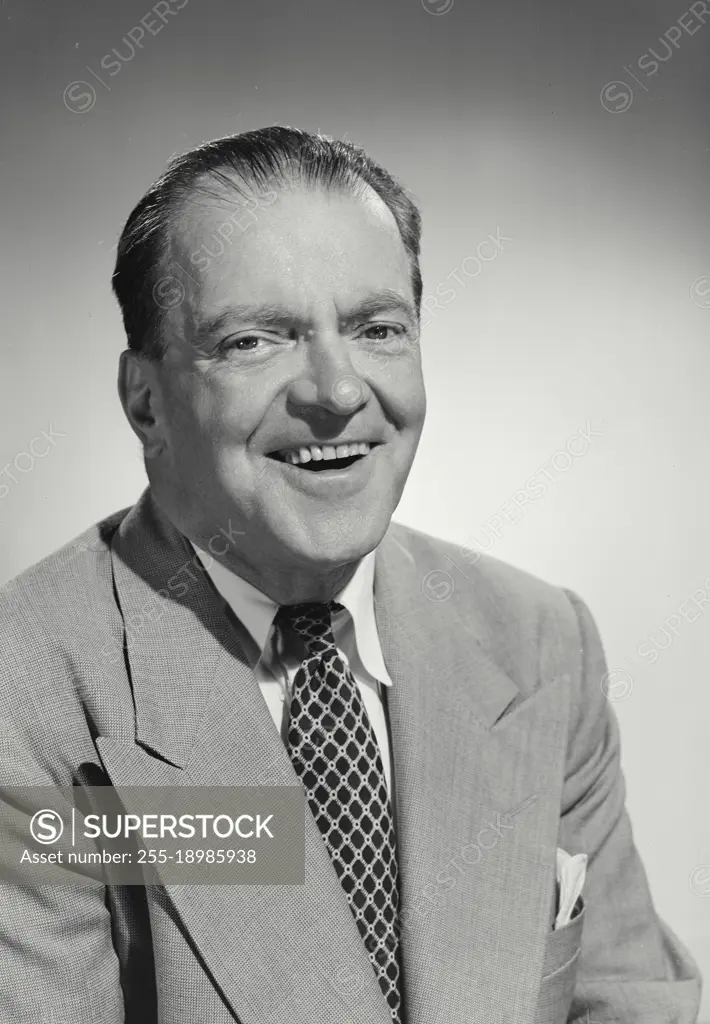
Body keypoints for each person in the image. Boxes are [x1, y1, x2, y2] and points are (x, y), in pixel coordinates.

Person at [0, 126, 701, 1024]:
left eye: (377, 329)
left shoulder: (540, 647)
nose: (335, 391)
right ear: (146, 401)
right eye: (256, 340)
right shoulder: (26, 695)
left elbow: (627, 1001)